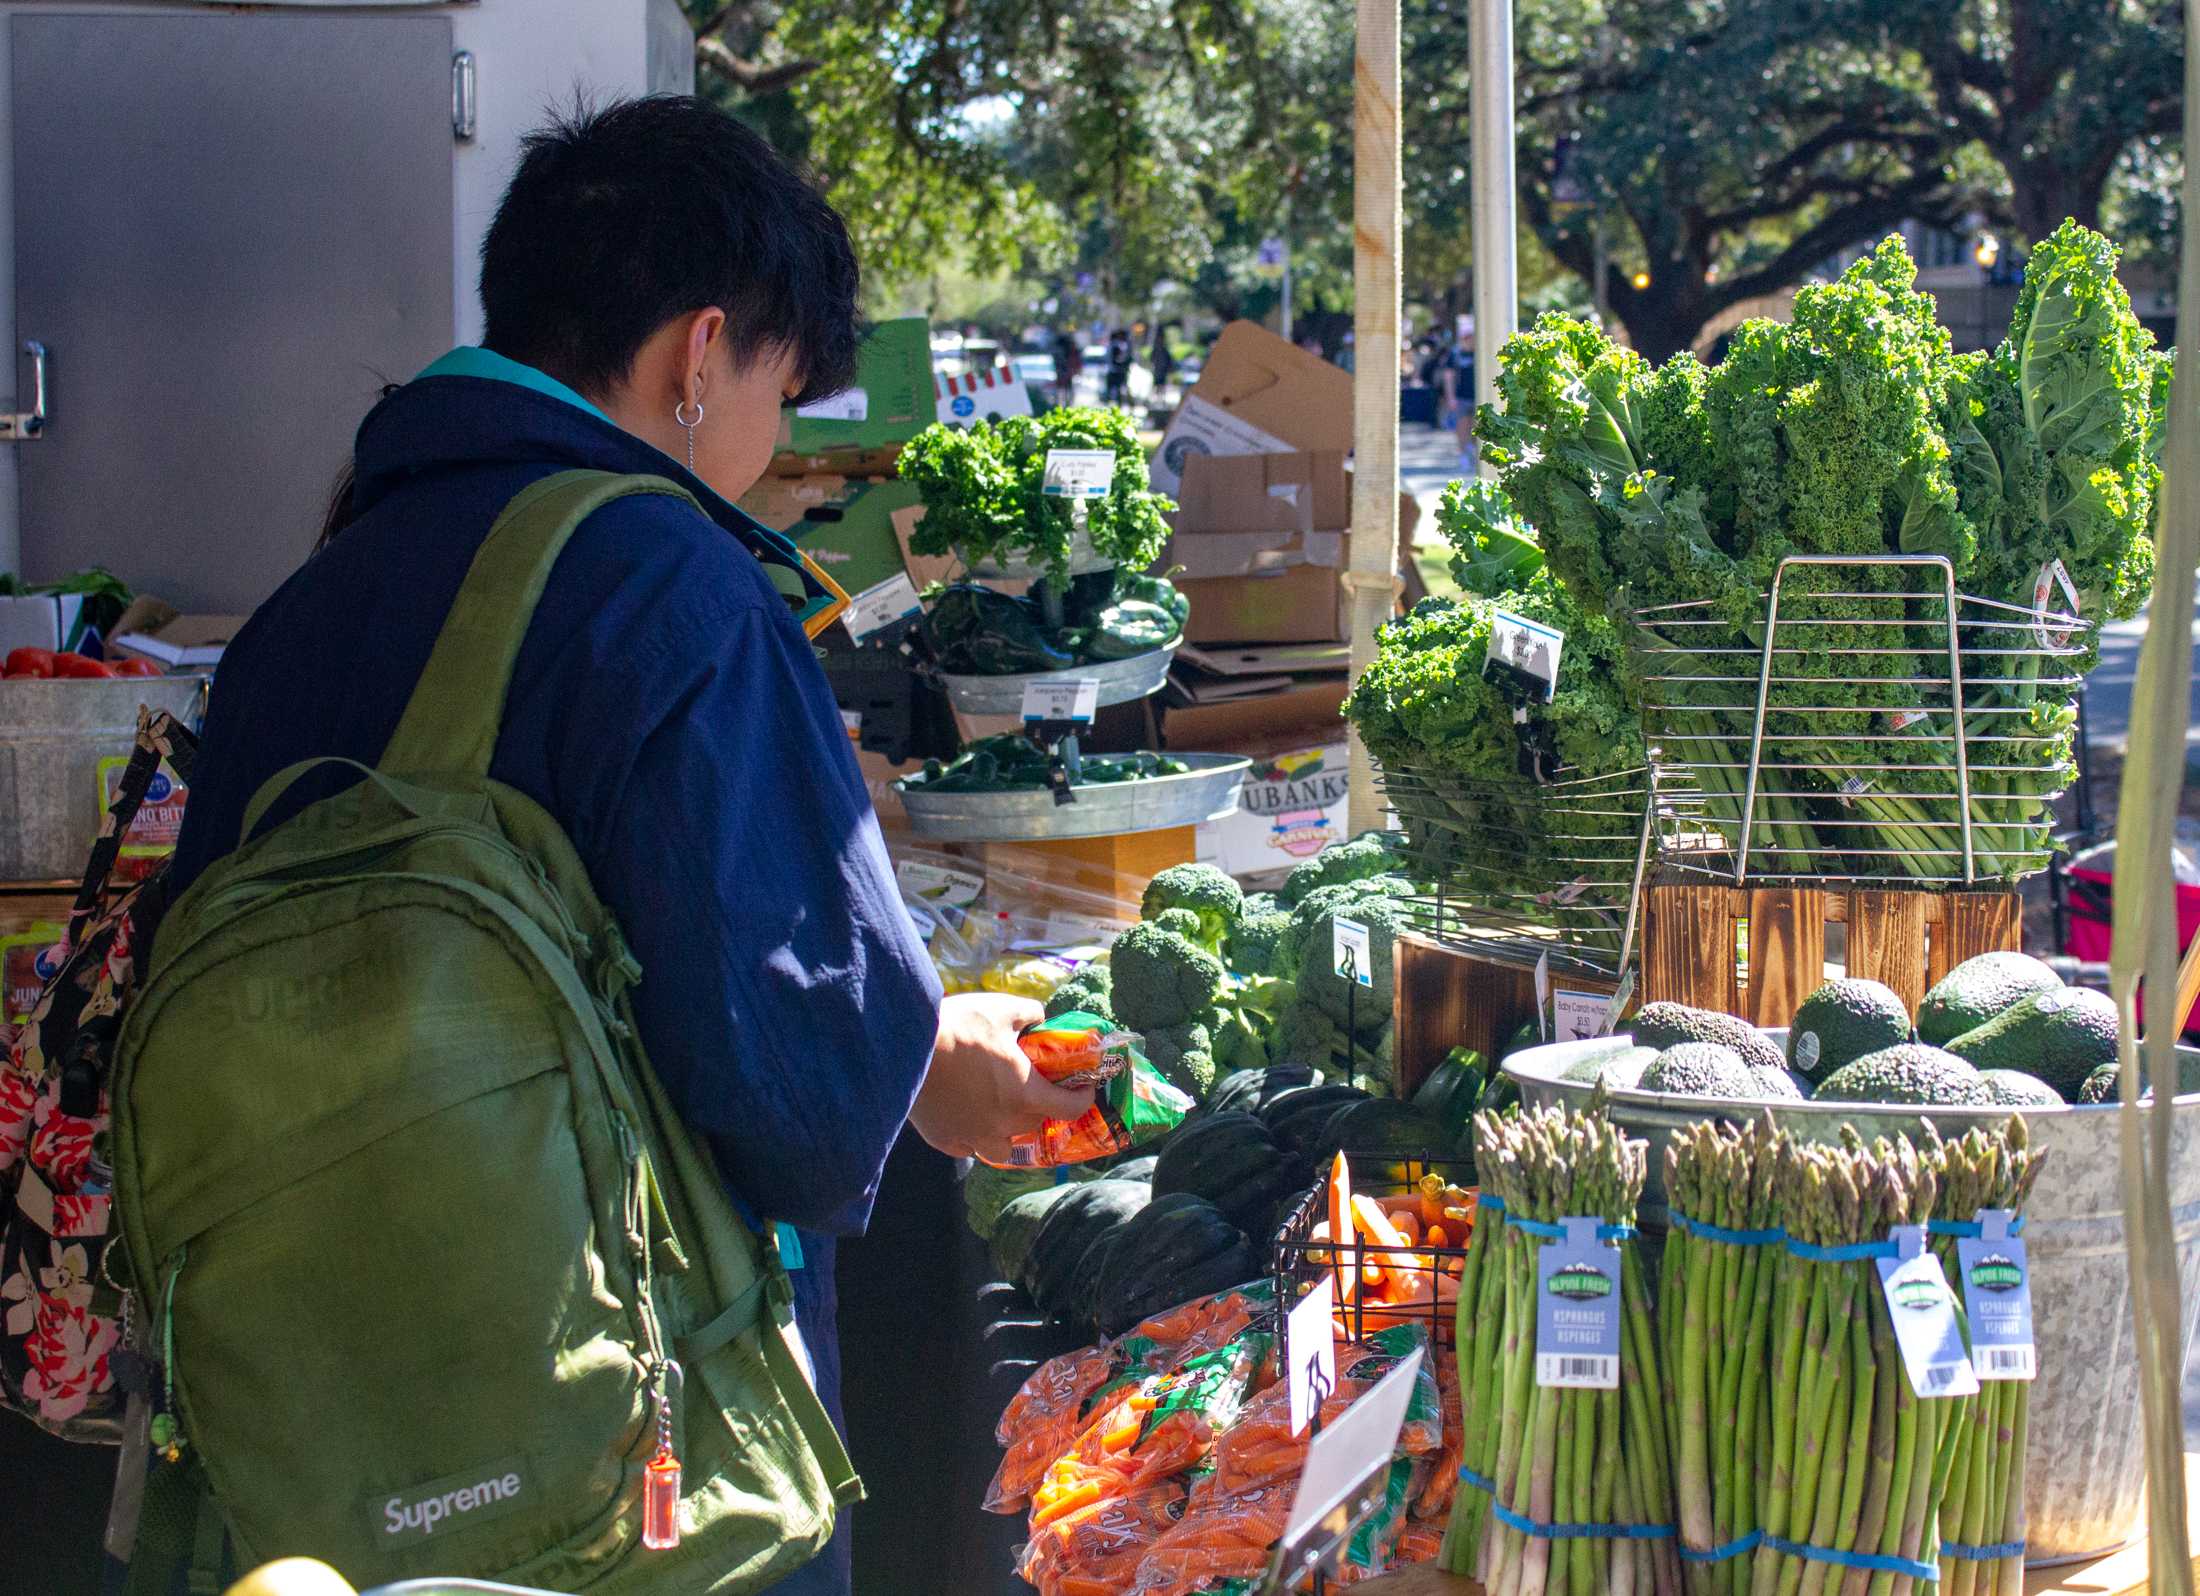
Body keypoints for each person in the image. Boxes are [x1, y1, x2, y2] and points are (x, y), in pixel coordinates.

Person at [165, 95, 1085, 1596]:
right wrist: (931, 1058)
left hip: (321, 1445)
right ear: (699, 353)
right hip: (625, 1471)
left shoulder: (303, 610)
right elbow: (797, 1088)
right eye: (781, 396)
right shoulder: (673, 592)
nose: (772, 447)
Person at [1102, 327, 1133, 406]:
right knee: (1119, 389)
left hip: (1116, 371)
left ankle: (1120, 405)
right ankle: (1120, 404)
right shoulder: (1118, 345)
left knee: (1116, 389)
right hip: (1117, 371)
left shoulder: (1115, 345)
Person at [1052, 327, 1081, 406]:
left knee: (1062, 389)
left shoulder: (1056, 349)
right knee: (1066, 389)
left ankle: (1061, 404)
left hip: (1062, 372)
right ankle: (1065, 404)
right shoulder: (1068, 349)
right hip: (1066, 372)